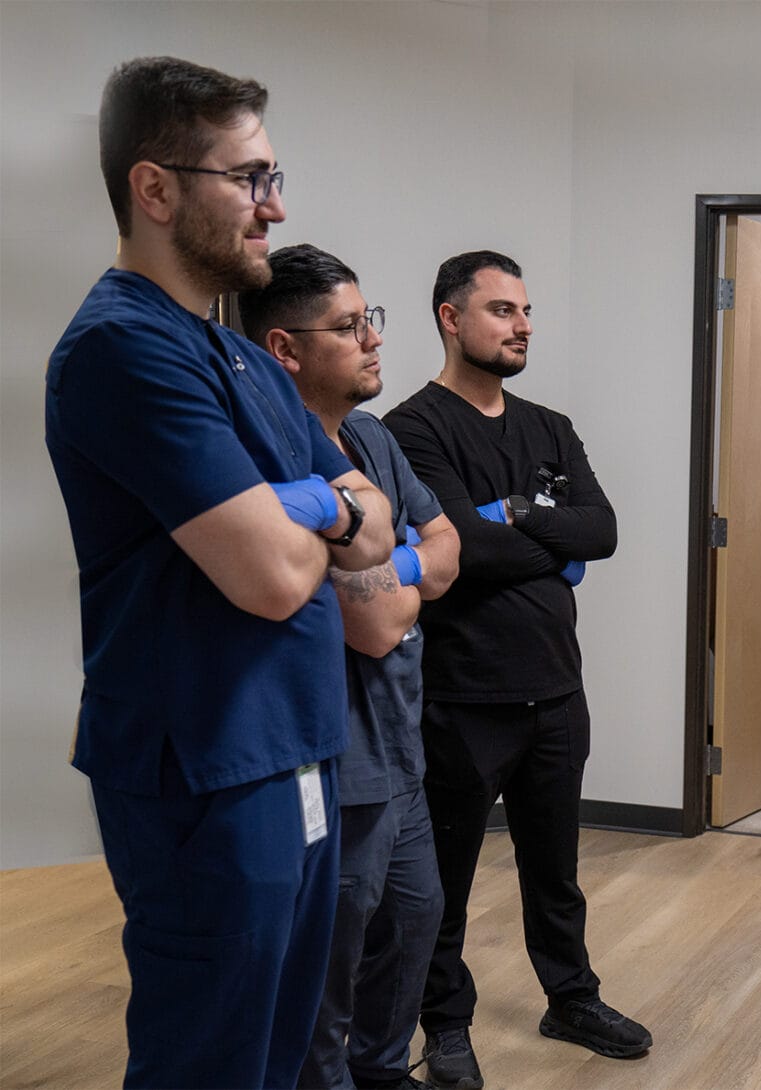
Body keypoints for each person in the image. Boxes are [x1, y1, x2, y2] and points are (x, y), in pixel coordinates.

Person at [43, 57, 394, 1089]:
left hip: (299, 751)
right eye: (248, 178)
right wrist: (324, 507)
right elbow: (276, 581)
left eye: (272, 174)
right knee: (210, 1058)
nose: (274, 206)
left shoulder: (241, 357)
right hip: (206, 770)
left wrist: (311, 507)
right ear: (154, 189)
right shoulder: (121, 350)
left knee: (284, 1048)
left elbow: (371, 524)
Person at [383, 250, 648, 1090]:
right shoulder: (410, 430)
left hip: (556, 693)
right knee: (443, 886)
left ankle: (570, 997)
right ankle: (446, 1026)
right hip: (462, 697)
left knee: (555, 870)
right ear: (450, 319)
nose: (522, 325)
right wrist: (543, 543)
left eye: (526, 311)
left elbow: (602, 530)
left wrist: (515, 516)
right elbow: (455, 551)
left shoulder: (549, 426)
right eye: (501, 310)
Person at [241, 244, 463, 1090]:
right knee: (335, 953)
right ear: (284, 349)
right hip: (338, 762)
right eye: (347, 326)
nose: (373, 339)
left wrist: (391, 562)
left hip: (401, 748)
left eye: (371, 319)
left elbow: (445, 551)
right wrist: (397, 564)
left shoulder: (369, 437)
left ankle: (381, 1072)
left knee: (415, 920)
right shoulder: (271, 461)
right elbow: (368, 627)